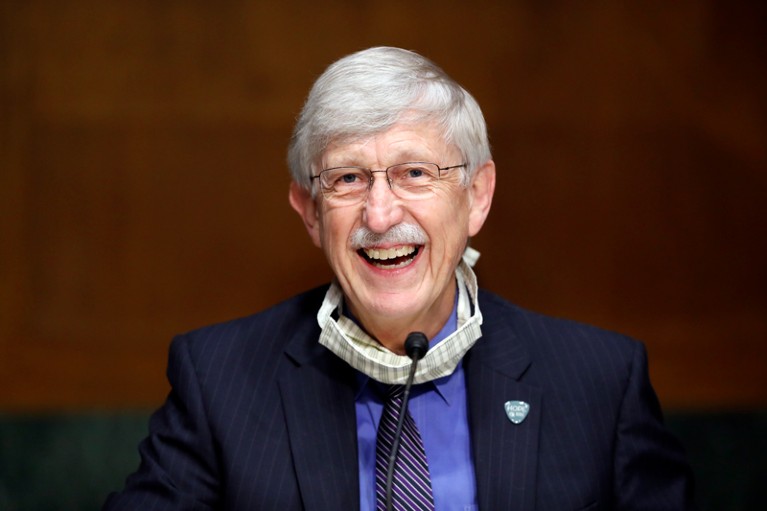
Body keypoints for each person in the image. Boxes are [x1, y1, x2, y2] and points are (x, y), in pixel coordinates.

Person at [104, 46, 695, 510]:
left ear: (477, 196)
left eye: (415, 172)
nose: (381, 215)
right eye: (348, 179)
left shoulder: (600, 381)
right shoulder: (218, 381)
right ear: (310, 212)